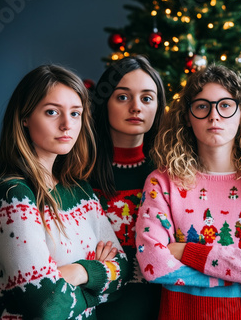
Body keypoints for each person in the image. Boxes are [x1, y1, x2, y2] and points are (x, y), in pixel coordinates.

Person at [135, 64, 241, 319]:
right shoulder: (162, 183)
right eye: (202, 106)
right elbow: (153, 266)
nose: (214, 116)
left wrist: (185, 252)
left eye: (225, 105)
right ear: (187, 117)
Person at [0, 65, 128, 319]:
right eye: (52, 112)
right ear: (25, 118)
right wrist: (97, 276)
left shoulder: (80, 190)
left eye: (75, 113)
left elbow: (124, 271)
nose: (66, 125)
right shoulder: (11, 196)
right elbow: (46, 306)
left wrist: (79, 272)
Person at [89, 56, 166, 318]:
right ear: (104, 102)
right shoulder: (77, 172)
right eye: (123, 97)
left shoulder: (170, 175)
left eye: (147, 98)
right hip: (94, 308)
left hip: (157, 307)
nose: (136, 107)